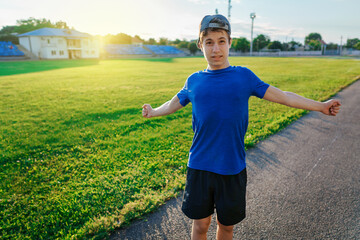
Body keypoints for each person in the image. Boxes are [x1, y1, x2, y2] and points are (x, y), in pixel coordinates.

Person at [142, 14, 341, 240]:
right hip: (200, 166)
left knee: (226, 227)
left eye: (221, 41)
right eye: (209, 42)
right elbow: (174, 103)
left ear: (230, 43)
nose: (215, 49)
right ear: (200, 45)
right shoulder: (194, 80)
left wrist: (321, 106)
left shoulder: (243, 77)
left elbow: (283, 96)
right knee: (200, 225)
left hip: (232, 167)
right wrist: (154, 111)